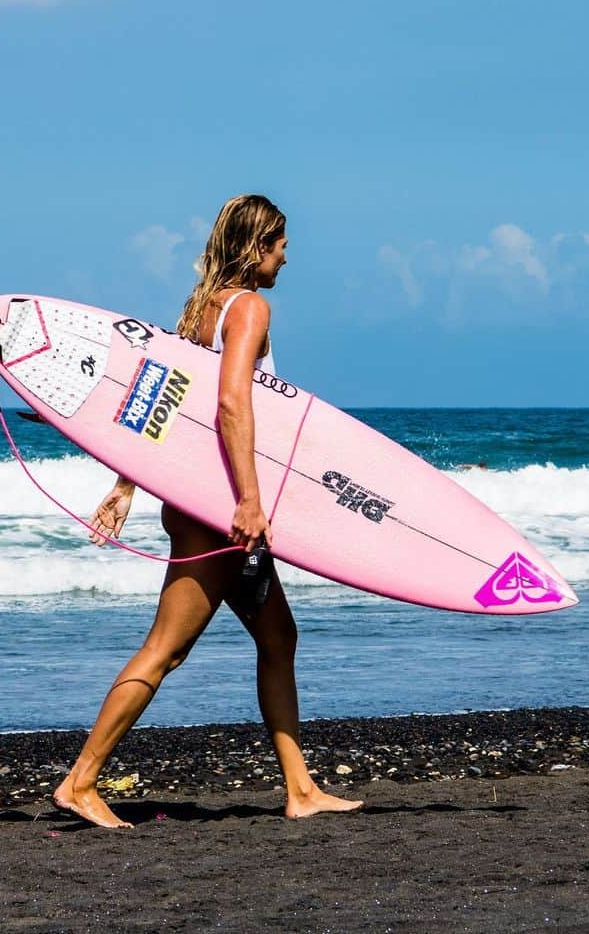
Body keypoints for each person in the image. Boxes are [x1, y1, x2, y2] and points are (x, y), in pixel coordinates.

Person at [53, 194, 363, 829]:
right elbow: (228, 406)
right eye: (279, 244)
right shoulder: (249, 308)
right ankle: (80, 782)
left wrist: (126, 484)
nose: (286, 256)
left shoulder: (198, 311)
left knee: (279, 636)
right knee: (165, 649)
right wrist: (249, 500)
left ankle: (300, 789)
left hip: (195, 502)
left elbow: (158, 407)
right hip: (221, 511)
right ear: (255, 249)